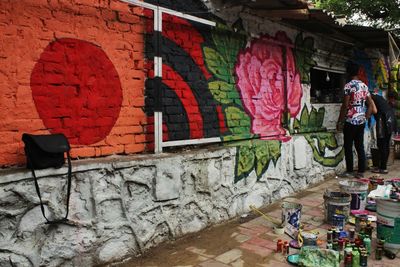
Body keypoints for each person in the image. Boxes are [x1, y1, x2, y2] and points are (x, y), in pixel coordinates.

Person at [336, 63, 377, 178]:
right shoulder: (364, 86)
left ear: (348, 73)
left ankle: (349, 171)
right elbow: (370, 105)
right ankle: (361, 171)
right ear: (358, 72)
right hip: (361, 121)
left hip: (350, 121)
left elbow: (345, 105)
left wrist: (340, 121)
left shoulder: (348, 86)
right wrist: (366, 116)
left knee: (348, 146)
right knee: (360, 146)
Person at [371, 93, 397, 174]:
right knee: (385, 143)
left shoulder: (369, 98)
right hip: (391, 118)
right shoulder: (378, 97)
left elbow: (372, 109)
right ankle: (383, 167)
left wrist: (366, 116)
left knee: (382, 143)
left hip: (383, 119)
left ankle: (383, 168)